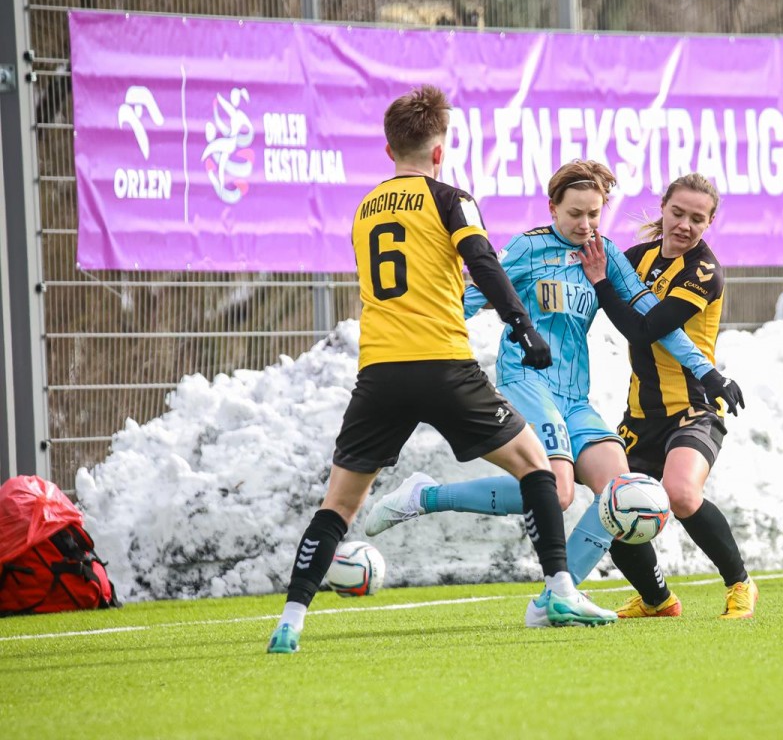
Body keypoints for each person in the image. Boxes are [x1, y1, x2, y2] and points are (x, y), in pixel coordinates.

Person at [266, 86, 616, 654]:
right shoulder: (452, 198)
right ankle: (559, 591)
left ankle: (290, 621)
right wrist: (522, 325)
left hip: (379, 374)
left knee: (339, 505)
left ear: (388, 150)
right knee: (537, 468)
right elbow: (482, 262)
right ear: (439, 152)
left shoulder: (364, 209)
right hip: (442, 365)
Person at [362, 160, 742, 628]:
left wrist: (708, 372)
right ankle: (427, 496)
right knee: (558, 490)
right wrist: (413, 341)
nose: (585, 225)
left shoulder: (604, 254)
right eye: (575, 214)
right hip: (527, 381)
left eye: (594, 215)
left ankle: (554, 599)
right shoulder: (527, 247)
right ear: (552, 208)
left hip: (574, 397)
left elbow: (652, 317)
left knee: (620, 490)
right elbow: (468, 299)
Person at [576, 172, 757, 619]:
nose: (685, 225)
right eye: (678, 213)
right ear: (663, 208)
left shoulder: (703, 271)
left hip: (694, 408)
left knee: (680, 493)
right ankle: (657, 601)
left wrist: (602, 284)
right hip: (641, 414)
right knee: (614, 507)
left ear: (709, 223)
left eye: (697, 218)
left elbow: (645, 329)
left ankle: (740, 584)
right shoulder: (636, 258)